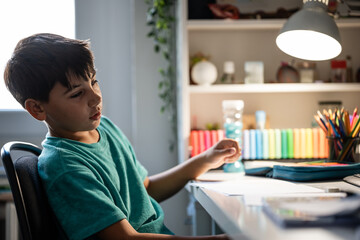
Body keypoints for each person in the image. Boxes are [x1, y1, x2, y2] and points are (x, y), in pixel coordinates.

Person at [3, 33, 241, 240]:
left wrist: (205, 159)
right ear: (37, 109)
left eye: (94, 82)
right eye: (77, 93)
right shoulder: (65, 167)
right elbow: (125, 239)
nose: (95, 97)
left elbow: (145, 189)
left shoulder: (105, 129)